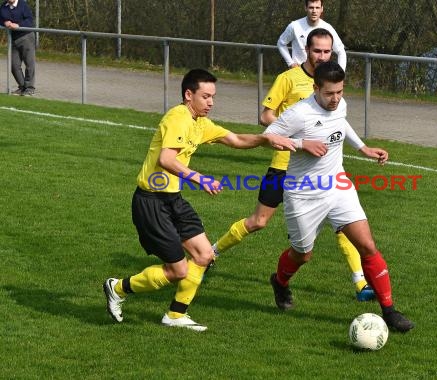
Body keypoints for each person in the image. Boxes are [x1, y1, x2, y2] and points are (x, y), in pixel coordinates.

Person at [103, 69, 295, 331]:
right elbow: (166, 159)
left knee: (204, 254)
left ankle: (175, 315)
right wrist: (200, 178)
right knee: (178, 271)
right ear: (188, 94)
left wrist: (265, 139)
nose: (211, 102)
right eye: (206, 96)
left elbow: (235, 139)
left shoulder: (199, 123)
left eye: (213, 97)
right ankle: (117, 288)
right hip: (151, 202)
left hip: (173, 200)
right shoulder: (178, 117)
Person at [212, 28, 375, 302]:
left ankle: (360, 283)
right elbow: (266, 117)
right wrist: (295, 130)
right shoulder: (288, 78)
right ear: (306, 50)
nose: (322, 56)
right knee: (258, 221)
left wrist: (359, 145)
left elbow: (339, 120)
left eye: (327, 51)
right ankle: (211, 253)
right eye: (317, 51)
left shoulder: (331, 85)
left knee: (344, 224)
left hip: (321, 173)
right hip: (284, 167)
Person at [264, 61, 415, 333]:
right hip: (303, 194)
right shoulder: (299, 113)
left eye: (340, 92)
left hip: (338, 185)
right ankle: (280, 282)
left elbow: (341, 125)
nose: (335, 99)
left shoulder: (339, 105)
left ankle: (389, 310)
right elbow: (268, 135)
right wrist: (301, 144)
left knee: (367, 245)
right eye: (329, 93)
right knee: (302, 255)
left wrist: (363, 148)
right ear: (315, 88)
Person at [277, 0, 346, 70]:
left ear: (322, 9)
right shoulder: (294, 26)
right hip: (298, 72)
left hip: (320, 74)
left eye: (317, 8)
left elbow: (341, 51)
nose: (314, 11)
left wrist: (341, 74)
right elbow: (281, 43)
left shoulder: (328, 28)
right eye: (311, 7)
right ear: (305, 8)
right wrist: (290, 63)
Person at [0, 0, 36, 96]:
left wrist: (18, 25)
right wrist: (5, 23)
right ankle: (22, 87)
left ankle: (29, 88)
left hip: (26, 37)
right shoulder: (4, 6)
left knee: (29, 64)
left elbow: (30, 20)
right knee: (14, 65)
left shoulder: (22, 4)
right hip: (13, 39)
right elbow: (0, 19)